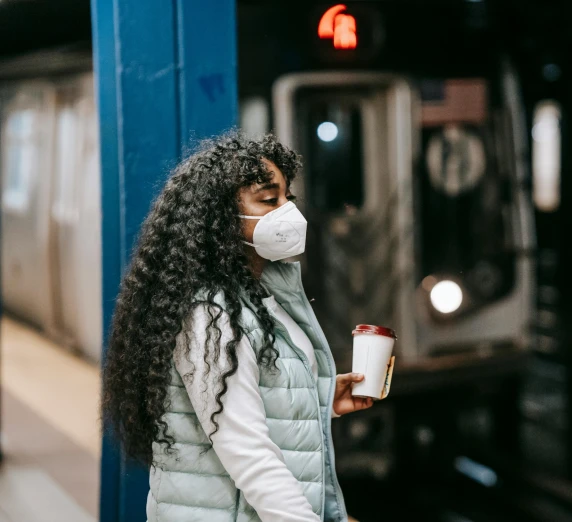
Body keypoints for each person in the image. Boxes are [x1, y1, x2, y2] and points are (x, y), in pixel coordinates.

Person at [101, 133, 373, 522]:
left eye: (287, 199)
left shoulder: (261, 293)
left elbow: (253, 398)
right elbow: (248, 452)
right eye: (268, 200)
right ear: (220, 216)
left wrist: (321, 396)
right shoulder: (210, 316)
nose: (288, 213)